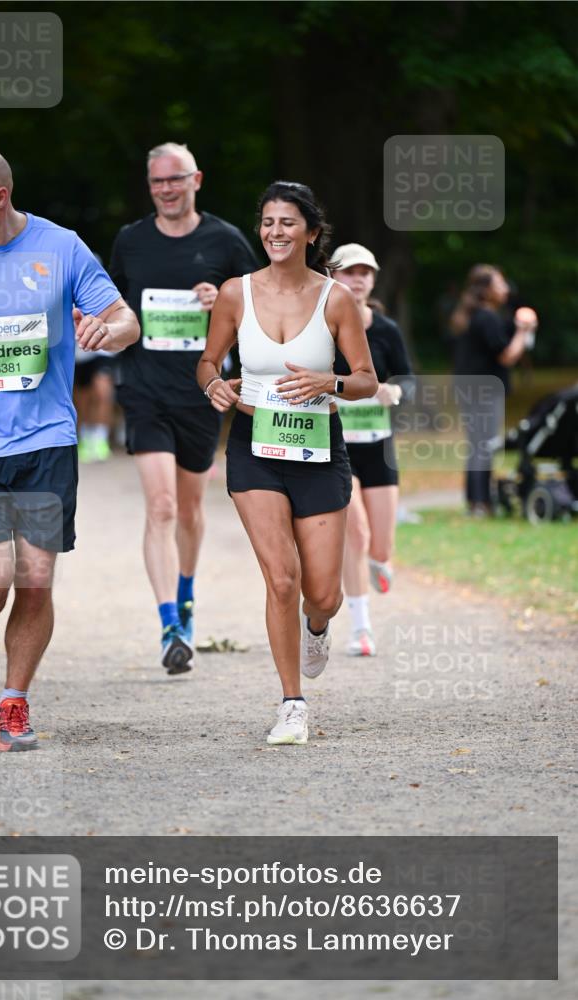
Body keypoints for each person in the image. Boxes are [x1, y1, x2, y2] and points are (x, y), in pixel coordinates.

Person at [0, 145, 139, 751]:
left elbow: (126, 322)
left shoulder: (60, 248)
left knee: (35, 582)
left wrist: (104, 329)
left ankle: (14, 703)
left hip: (46, 445)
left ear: (0, 197)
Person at [197, 182, 377, 745]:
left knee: (321, 593)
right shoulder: (235, 293)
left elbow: (368, 380)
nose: (276, 232)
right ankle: (292, 703)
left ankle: (317, 627)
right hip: (255, 444)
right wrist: (214, 388)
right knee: (282, 579)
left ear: (311, 233)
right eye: (268, 222)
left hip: (319, 448)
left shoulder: (336, 299)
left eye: (288, 223)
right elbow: (208, 362)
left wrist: (333, 381)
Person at [109, 141, 258, 674]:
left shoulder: (225, 240)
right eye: (157, 182)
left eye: (175, 180)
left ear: (197, 179)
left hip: (199, 392)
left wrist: (224, 301)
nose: (166, 190)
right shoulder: (131, 241)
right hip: (144, 390)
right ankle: (170, 623)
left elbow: (260, 306)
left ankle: (187, 597)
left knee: (190, 511)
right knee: (162, 508)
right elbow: (114, 305)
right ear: (149, 186)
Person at [330, 244, 415, 657]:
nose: (358, 278)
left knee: (380, 547)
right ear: (333, 277)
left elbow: (409, 382)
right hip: (336, 446)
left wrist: (394, 391)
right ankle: (361, 629)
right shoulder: (322, 327)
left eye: (365, 272)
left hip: (378, 448)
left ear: (373, 280)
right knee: (356, 534)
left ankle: (381, 562)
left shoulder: (385, 330)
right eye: (349, 272)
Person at [449, 264, 533, 515]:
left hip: (471, 388)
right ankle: (479, 504)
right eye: (500, 283)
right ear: (486, 290)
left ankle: (478, 501)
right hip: (484, 390)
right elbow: (507, 356)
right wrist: (524, 330)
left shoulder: (477, 315)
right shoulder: (486, 317)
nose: (505, 288)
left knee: (479, 444)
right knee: (483, 445)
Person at [74, 344, 116, 463]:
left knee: (103, 393)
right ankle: (85, 438)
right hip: (79, 352)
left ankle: (101, 439)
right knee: (83, 399)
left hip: (103, 349)